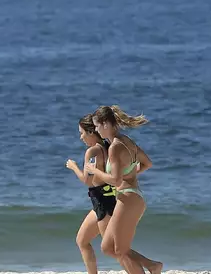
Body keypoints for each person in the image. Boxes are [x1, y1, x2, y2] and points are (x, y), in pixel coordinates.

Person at [66, 113, 162, 274]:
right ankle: (150, 265)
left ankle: (149, 266)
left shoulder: (96, 151)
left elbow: (88, 180)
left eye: (82, 133)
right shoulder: (110, 146)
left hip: (106, 199)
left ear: (92, 131)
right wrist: (129, 175)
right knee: (90, 242)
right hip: (112, 197)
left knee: (117, 250)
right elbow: (145, 164)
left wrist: (74, 167)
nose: (81, 137)